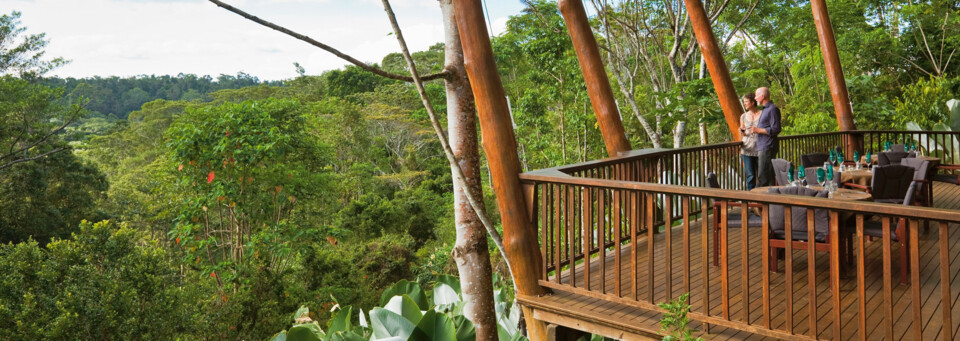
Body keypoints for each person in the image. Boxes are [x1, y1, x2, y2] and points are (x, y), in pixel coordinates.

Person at [749, 87, 781, 187]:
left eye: (756, 95)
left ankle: (755, 201)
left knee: (762, 177)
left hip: (768, 147)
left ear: (762, 96)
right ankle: (771, 201)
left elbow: (776, 129)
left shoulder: (772, 109)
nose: (755, 98)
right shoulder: (765, 110)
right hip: (764, 146)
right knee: (769, 176)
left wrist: (758, 130)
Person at [739, 93, 761, 190]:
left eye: (746, 102)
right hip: (746, 149)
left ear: (753, 102)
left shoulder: (762, 114)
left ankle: (762, 198)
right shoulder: (743, 116)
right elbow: (743, 131)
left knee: (761, 175)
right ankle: (752, 200)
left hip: (760, 149)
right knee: (750, 176)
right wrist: (741, 131)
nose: (745, 104)